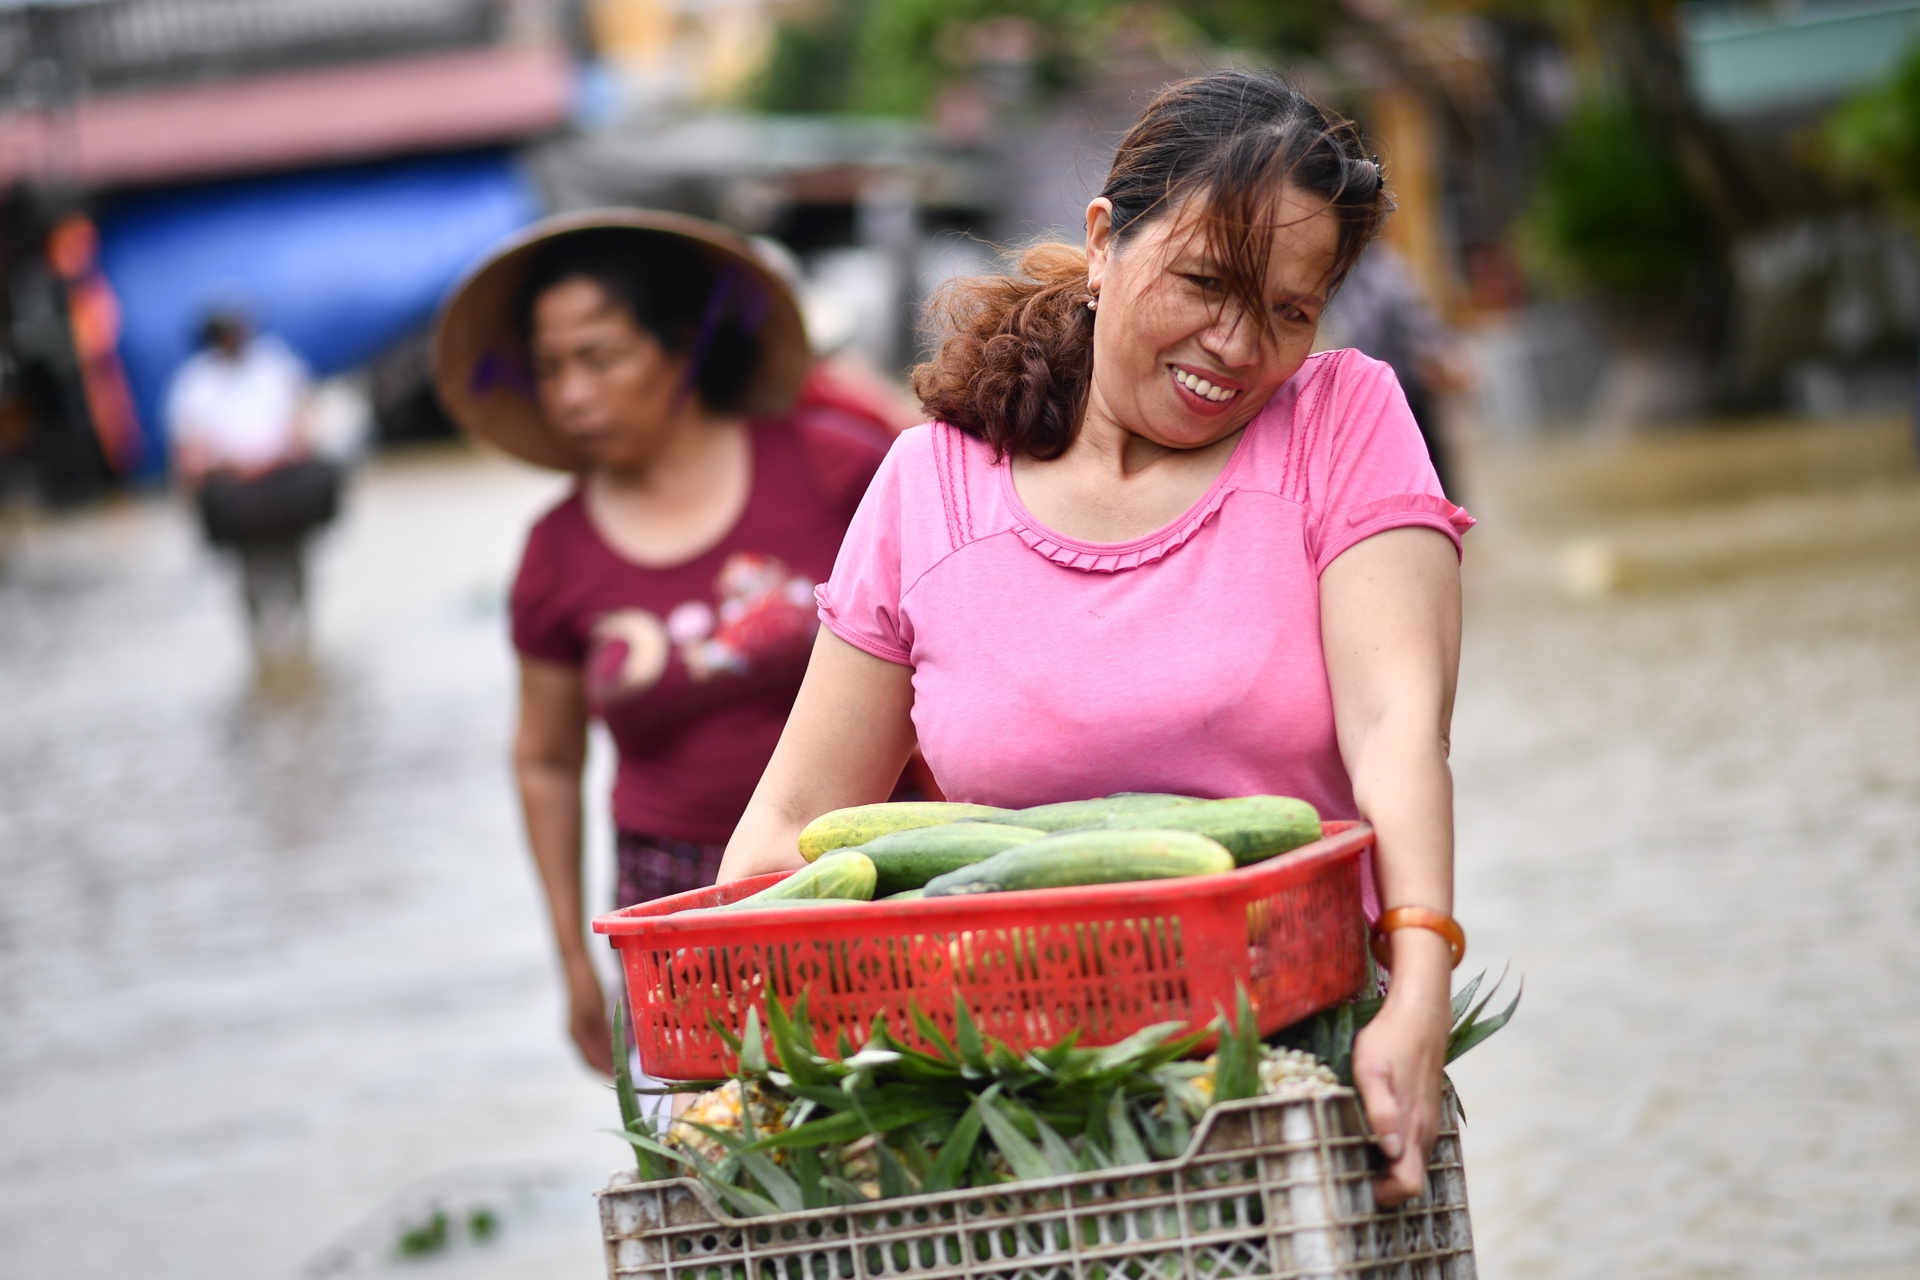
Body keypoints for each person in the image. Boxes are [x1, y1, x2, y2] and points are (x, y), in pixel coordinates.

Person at [718, 70, 1475, 1207]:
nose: (1235, 345)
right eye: (1205, 281)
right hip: (999, 1111)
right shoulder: (932, 484)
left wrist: (1418, 983)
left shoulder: (1342, 421)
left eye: (1288, 309)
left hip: (1299, 1067)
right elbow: (786, 828)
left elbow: (1396, 724)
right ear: (1105, 241)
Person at [433, 212, 895, 1074]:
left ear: (682, 346)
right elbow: (545, 760)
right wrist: (572, 953)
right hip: (679, 904)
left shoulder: (835, 470)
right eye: (549, 369)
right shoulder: (554, 553)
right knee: (723, 1165)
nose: (571, 395)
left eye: (599, 357)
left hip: (871, 868)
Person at [167, 308, 334, 654]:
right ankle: (261, 646)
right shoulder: (197, 380)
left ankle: (303, 639)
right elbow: (188, 445)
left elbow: (303, 413)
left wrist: (291, 450)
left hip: (282, 480)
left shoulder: (273, 363)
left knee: (295, 560)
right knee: (249, 570)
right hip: (235, 489)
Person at [1317, 241, 1472, 498]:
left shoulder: (1381, 267)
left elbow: (1415, 319)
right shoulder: (1366, 270)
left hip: (1405, 389)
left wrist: (1438, 355)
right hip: (1373, 395)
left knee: (1426, 474)